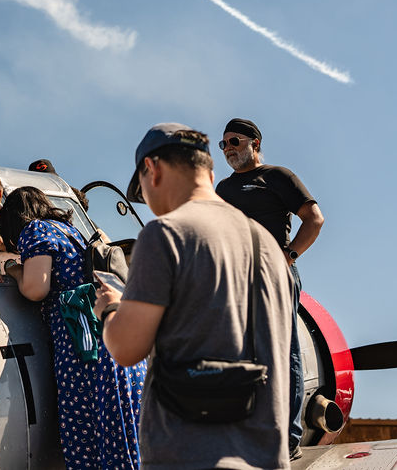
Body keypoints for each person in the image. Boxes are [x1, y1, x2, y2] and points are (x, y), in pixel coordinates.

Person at [95, 123, 293, 469]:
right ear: (210, 170)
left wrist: (111, 309)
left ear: (152, 170)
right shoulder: (269, 246)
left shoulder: (165, 234)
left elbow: (127, 349)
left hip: (191, 458)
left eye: (141, 192)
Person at [0, 186, 144, 470]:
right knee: (117, 432)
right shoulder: (68, 230)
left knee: (84, 432)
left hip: (81, 348)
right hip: (106, 337)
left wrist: (14, 269)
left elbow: (35, 288)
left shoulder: (35, 230)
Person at [215, 118, 324, 458]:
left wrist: (289, 255)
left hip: (274, 275)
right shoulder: (222, 190)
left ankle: (287, 438)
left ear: (255, 143)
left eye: (235, 141)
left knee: (281, 353)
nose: (229, 149)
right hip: (235, 281)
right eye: (224, 145)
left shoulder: (277, 177)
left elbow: (314, 218)